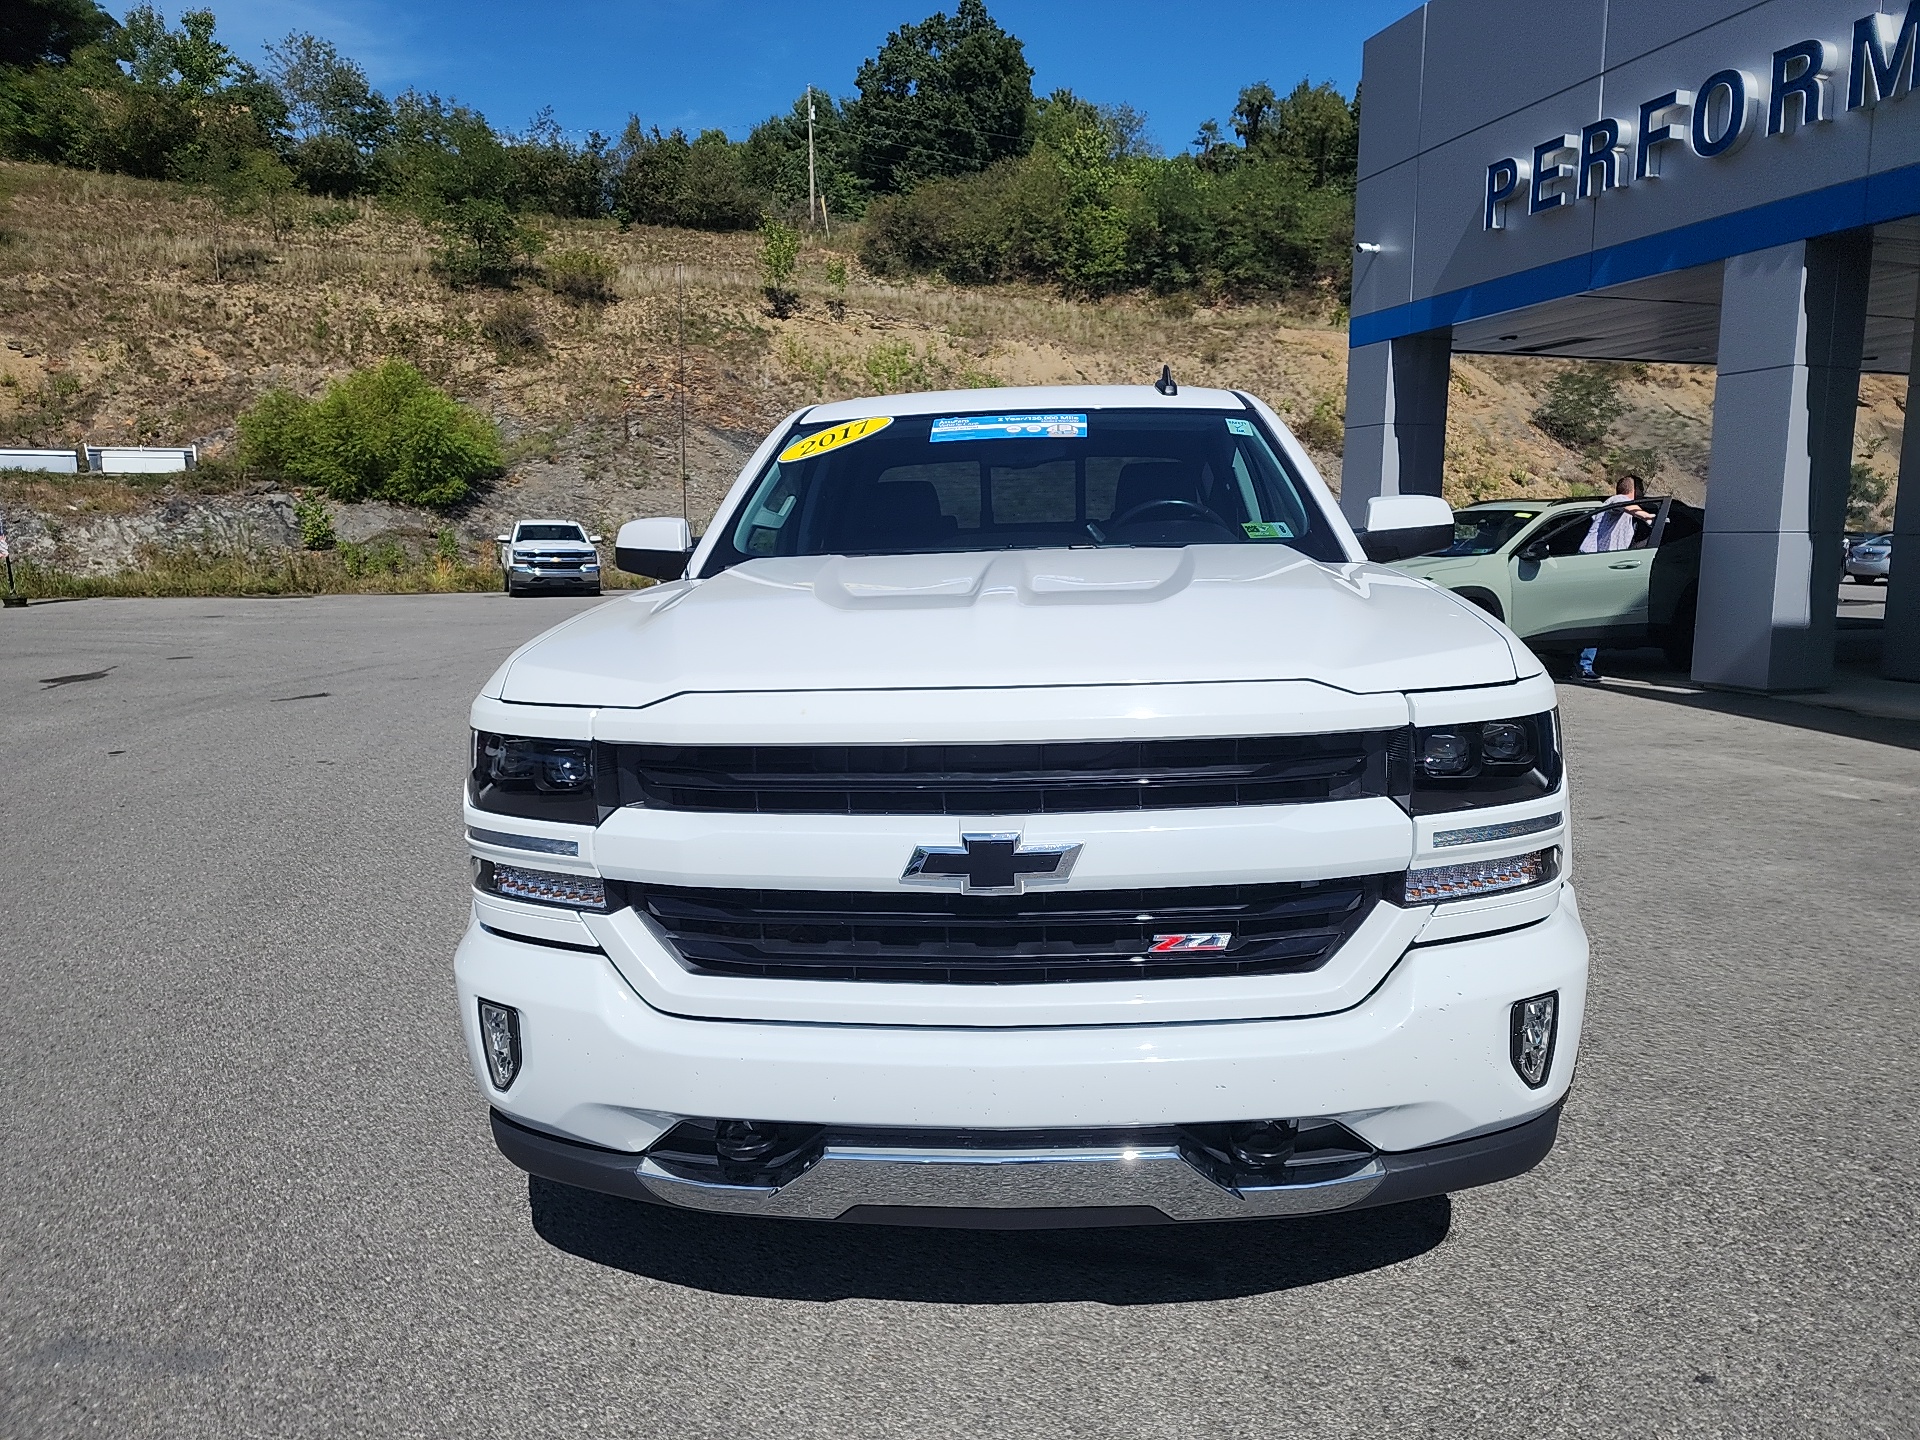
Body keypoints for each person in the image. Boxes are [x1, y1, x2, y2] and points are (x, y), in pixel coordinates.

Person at [1572, 475, 1655, 682]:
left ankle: (1581, 663)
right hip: (1595, 563)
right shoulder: (1616, 501)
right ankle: (1583, 666)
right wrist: (1649, 517)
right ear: (1633, 491)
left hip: (1600, 563)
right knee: (1595, 615)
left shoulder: (1620, 510)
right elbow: (1626, 505)